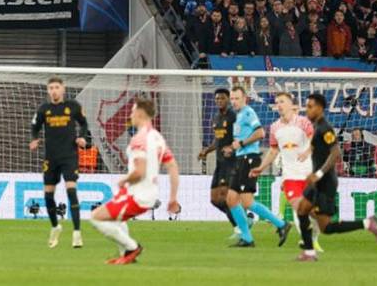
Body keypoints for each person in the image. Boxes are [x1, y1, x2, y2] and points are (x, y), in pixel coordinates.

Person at [89, 98, 180, 265]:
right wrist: (173, 198)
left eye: (132, 111)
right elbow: (173, 166)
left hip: (137, 194)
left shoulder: (140, 139)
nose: (130, 114)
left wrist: (124, 179)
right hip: (147, 193)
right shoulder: (157, 138)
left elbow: (139, 171)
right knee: (117, 220)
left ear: (139, 113)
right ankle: (126, 255)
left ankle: (132, 247)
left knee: (96, 218)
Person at [295, 93, 377, 262]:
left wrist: (319, 173)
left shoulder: (325, 128)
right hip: (317, 182)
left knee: (326, 227)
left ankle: (367, 223)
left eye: (310, 106)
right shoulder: (317, 127)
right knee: (301, 209)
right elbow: (316, 151)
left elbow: (336, 152)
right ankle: (309, 252)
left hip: (326, 183)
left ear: (320, 108)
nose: (307, 110)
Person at [250, 92, 322, 252]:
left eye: (282, 101)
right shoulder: (275, 127)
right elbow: (273, 150)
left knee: (315, 213)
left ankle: (314, 238)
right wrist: (261, 167)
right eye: (277, 102)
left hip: (307, 174)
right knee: (299, 208)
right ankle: (307, 241)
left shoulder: (303, 122)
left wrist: (308, 150)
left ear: (291, 105)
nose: (279, 105)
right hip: (290, 176)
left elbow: (314, 138)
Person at [225, 86, 290, 247]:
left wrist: (241, 143)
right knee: (232, 199)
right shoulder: (236, 116)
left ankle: (281, 224)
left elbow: (260, 133)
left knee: (246, 202)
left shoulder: (248, 113)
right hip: (240, 159)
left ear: (245, 98)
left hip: (249, 159)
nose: (233, 101)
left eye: (237, 98)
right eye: (232, 98)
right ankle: (247, 238)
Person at [29, 76, 90, 248]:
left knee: (71, 190)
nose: (54, 90)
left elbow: (84, 124)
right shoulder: (44, 109)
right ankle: (55, 227)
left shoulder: (73, 106)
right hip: (51, 157)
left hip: (69, 156)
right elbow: (34, 126)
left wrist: (82, 138)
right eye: (51, 88)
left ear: (63, 89)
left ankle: (77, 233)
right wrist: (34, 139)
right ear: (48, 91)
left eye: (56, 87)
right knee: (48, 195)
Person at [197, 88, 239, 233]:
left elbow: (240, 137)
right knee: (215, 200)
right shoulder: (215, 118)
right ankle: (243, 220)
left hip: (232, 162)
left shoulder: (233, 116)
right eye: (217, 99)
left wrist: (232, 148)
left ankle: (239, 228)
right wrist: (206, 151)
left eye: (222, 98)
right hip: (220, 163)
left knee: (226, 198)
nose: (219, 101)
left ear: (228, 99)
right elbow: (217, 140)